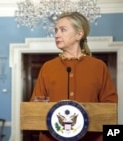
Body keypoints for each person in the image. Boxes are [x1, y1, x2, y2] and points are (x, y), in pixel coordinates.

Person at [30, 12, 118, 141]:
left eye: (63, 30)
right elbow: (35, 106)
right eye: (56, 30)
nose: (57, 35)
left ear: (79, 34)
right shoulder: (47, 67)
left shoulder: (99, 67)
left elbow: (110, 105)